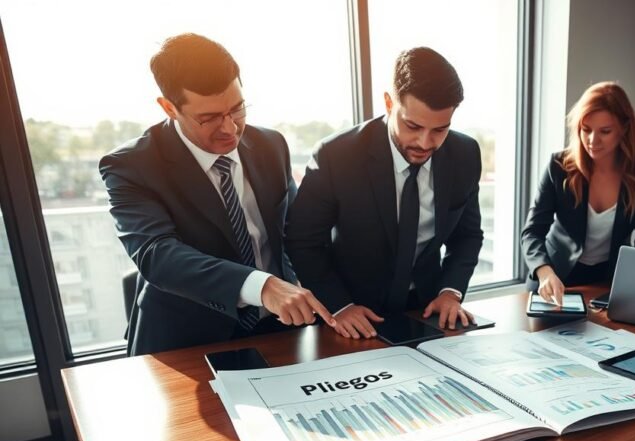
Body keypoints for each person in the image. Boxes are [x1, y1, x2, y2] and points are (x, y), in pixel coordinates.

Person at [100, 33, 336, 356]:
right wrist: (261, 286)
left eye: (237, 109)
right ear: (169, 107)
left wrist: (339, 301)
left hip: (280, 329)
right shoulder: (132, 165)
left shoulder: (271, 145)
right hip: (187, 340)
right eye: (209, 118)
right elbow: (157, 254)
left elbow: (297, 233)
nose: (230, 128)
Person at [286, 47, 483, 338]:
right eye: (412, 126)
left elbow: (467, 235)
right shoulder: (336, 155)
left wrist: (450, 292)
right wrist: (339, 306)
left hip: (426, 311)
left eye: (440, 130)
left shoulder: (465, 154)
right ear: (389, 103)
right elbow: (302, 241)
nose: (425, 143)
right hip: (352, 316)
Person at [521, 81, 635, 305]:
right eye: (586, 130)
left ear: (624, 128)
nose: (592, 141)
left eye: (605, 131)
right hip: (555, 278)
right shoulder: (559, 166)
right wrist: (544, 271)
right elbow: (532, 232)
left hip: (609, 281)